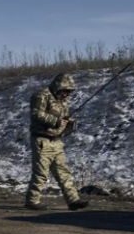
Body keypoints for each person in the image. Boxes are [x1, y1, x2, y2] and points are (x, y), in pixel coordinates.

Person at [25, 73, 89, 211]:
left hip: (56, 141)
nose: (66, 94)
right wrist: (56, 121)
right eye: (65, 90)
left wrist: (68, 123)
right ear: (58, 87)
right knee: (41, 174)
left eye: (69, 91)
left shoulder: (63, 100)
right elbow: (36, 114)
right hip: (42, 141)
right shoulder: (41, 96)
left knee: (63, 173)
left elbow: (62, 117)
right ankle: (32, 201)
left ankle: (73, 201)